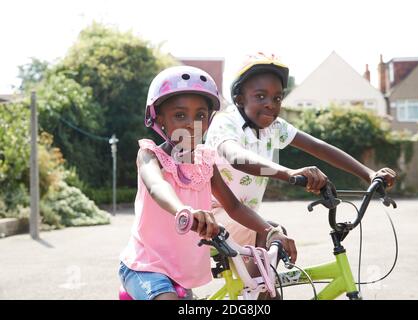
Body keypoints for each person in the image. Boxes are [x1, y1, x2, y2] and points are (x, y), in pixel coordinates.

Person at [118, 66, 297, 300]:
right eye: (180, 115)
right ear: (159, 119)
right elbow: (157, 187)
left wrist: (271, 231)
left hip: (181, 273)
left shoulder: (205, 162)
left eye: (200, 116)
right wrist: (185, 210)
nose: (192, 124)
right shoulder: (150, 156)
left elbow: (234, 207)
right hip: (146, 266)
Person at [205, 52, 397, 251]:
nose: (270, 103)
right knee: (271, 235)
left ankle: (256, 283)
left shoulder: (274, 127)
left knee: (275, 240)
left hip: (243, 216)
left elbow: (318, 147)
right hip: (212, 216)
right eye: (260, 96)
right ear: (239, 99)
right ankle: (259, 284)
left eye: (277, 98)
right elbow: (237, 157)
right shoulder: (226, 122)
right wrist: (289, 173)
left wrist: (368, 173)